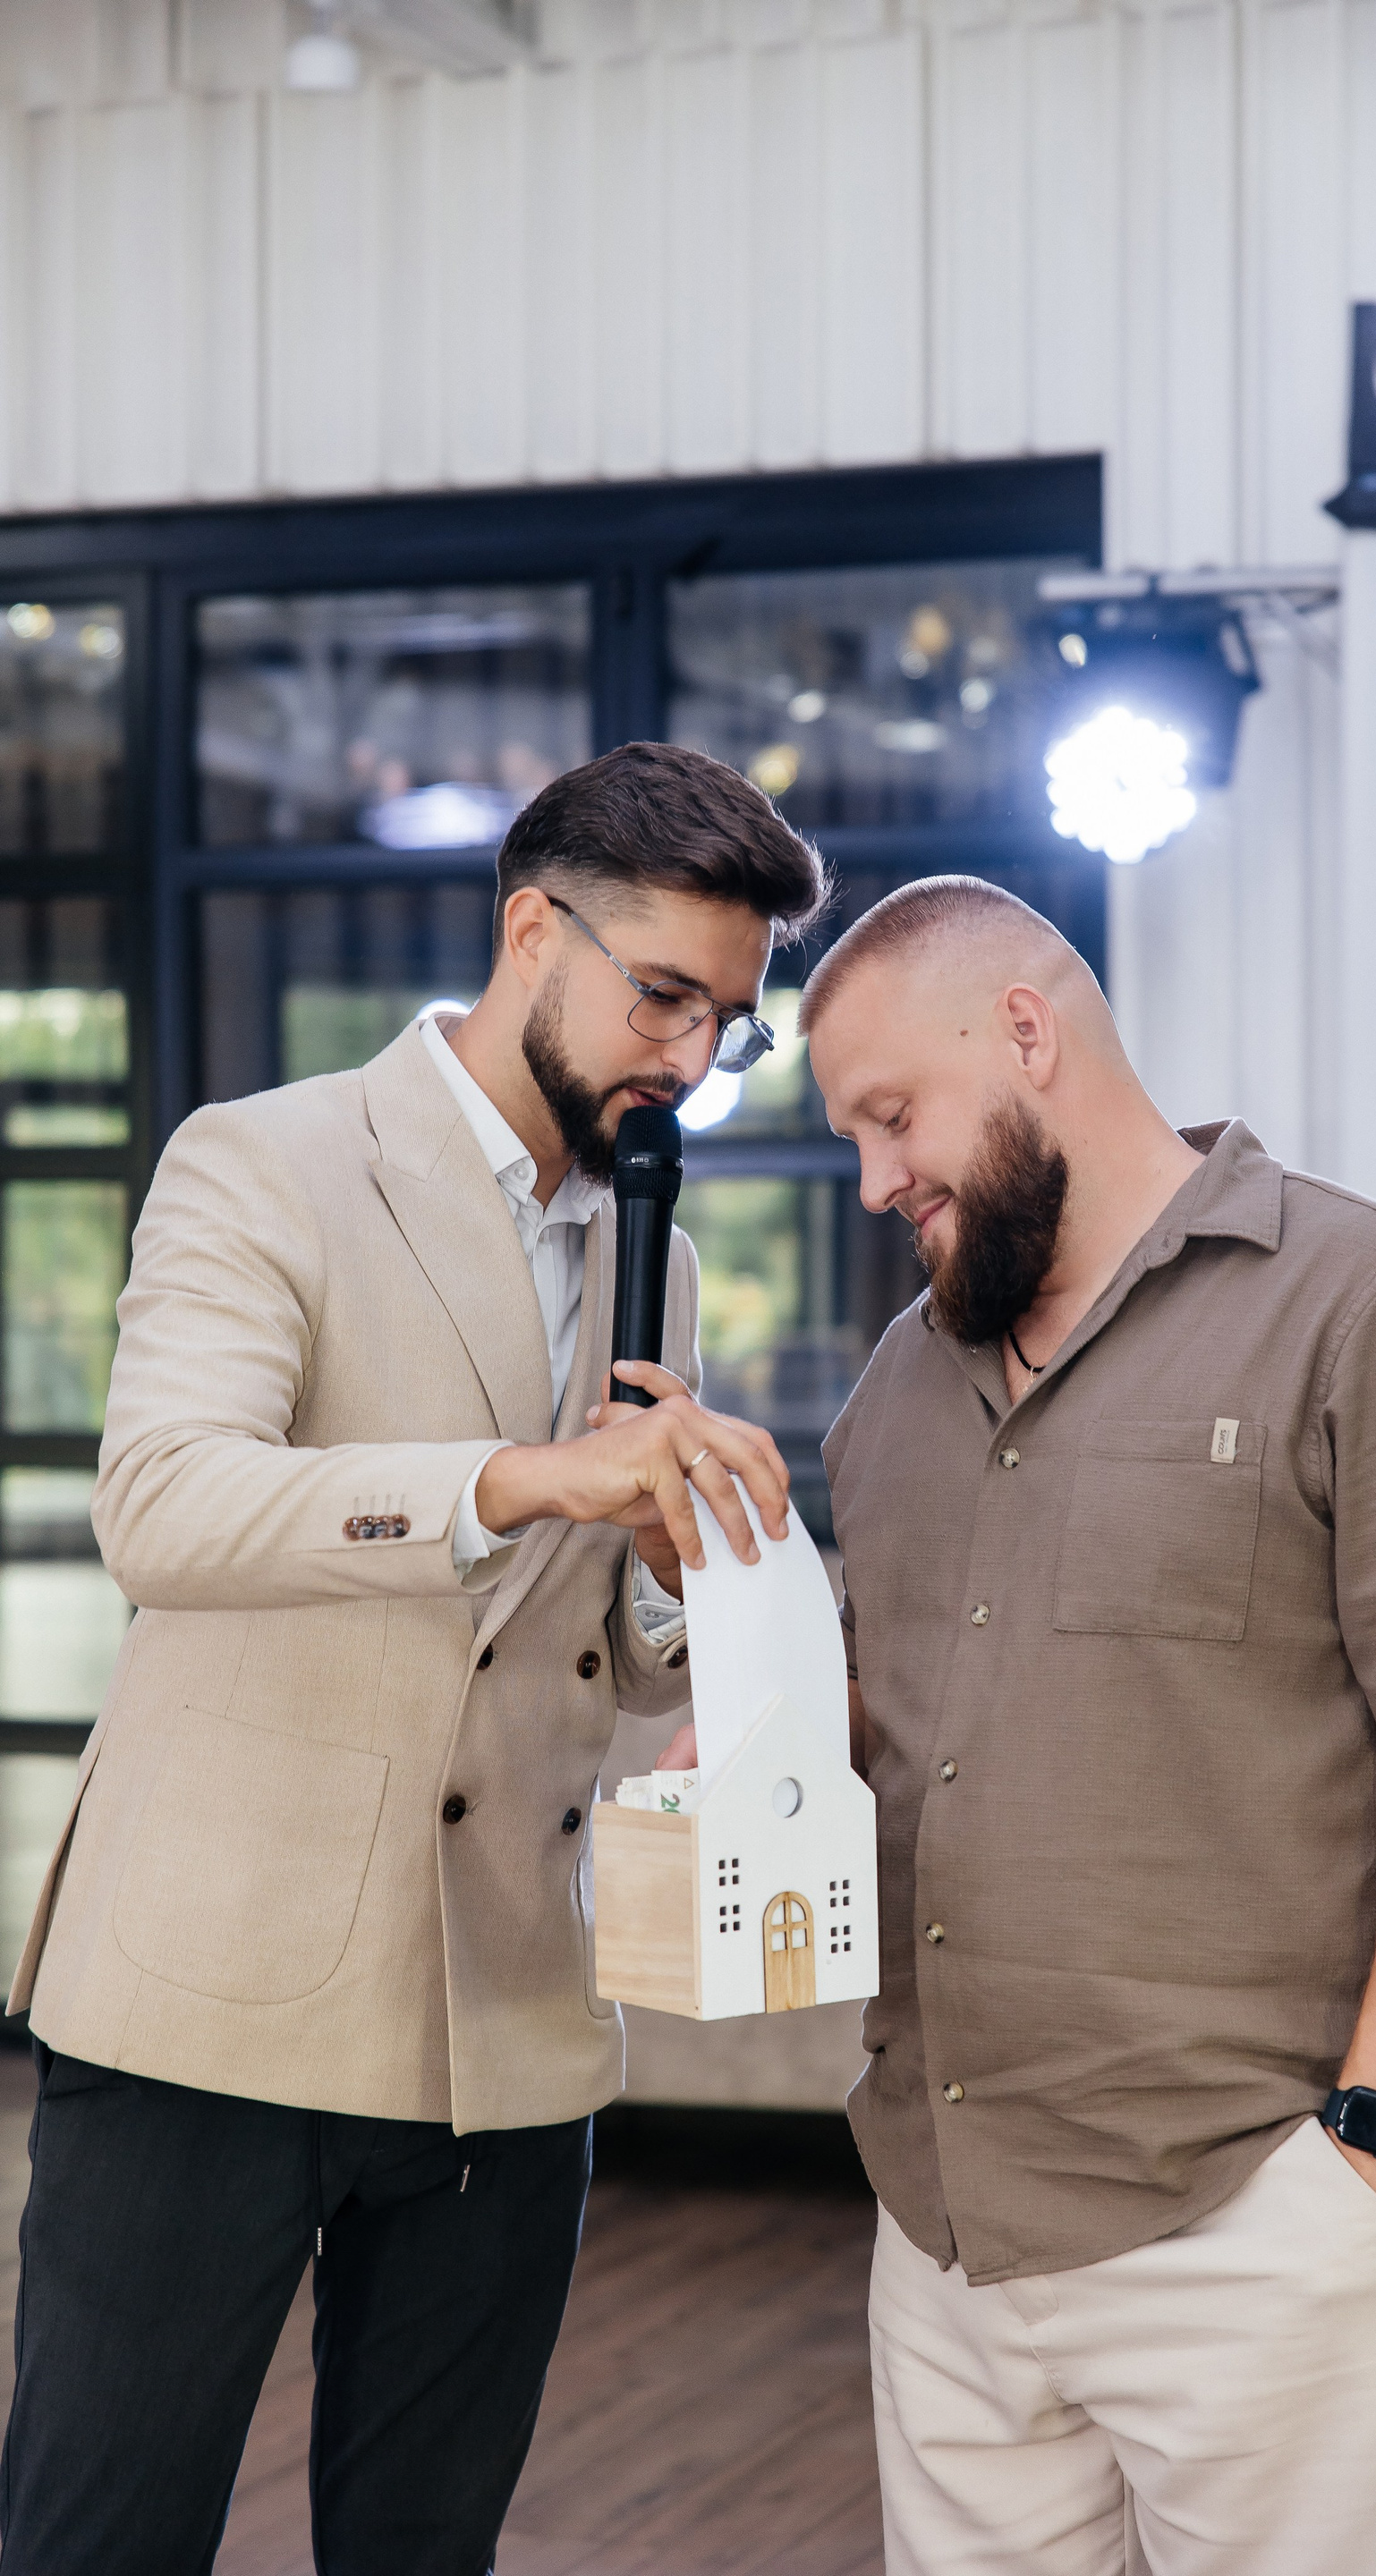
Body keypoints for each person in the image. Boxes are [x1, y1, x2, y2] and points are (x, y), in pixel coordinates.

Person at [0, 742, 823, 2576]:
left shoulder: (663, 1259)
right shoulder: (266, 1160)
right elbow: (166, 1508)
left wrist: (687, 1580)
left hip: (513, 2030)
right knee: (98, 2542)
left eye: (728, 1021)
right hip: (215, 1999)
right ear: (533, 933)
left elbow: (618, 1658)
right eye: (664, 996)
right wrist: (519, 1478)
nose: (693, 1057)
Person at [801, 874, 1376, 2576]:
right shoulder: (899, 1385)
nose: (873, 1181)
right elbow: (901, 1719)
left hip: (1257, 2216)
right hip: (942, 2231)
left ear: (1026, 1031)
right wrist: (758, 1722)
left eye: (891, 1116)